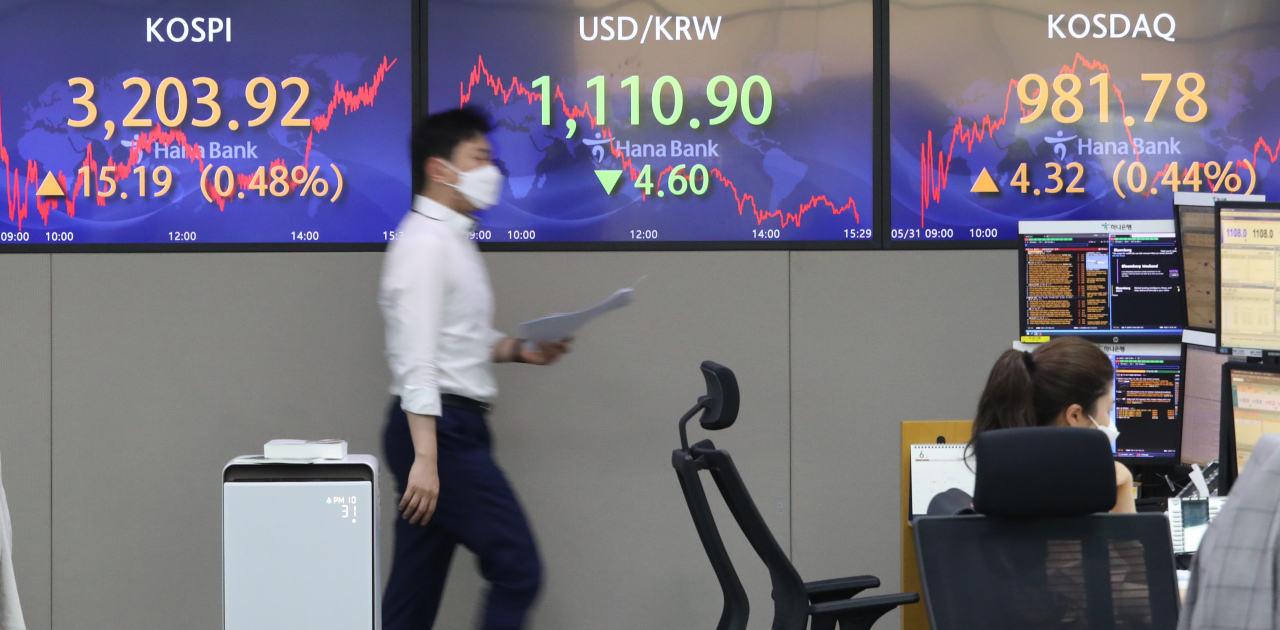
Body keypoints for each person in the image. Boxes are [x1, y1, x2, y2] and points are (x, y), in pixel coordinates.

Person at [379, 106, 572, 630]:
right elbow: (416, 355)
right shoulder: (423, 245)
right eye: (481, 157)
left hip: (446, 426)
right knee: (517, 569)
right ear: (441, 170)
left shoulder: (451, 240)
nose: (494, 170)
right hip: (441, 430)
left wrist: (518, 349)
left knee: (411, 598)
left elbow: (454, 341)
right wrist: (427, 456)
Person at [969, 336, 1134, 514]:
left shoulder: (997, 494)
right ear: (1075, 415)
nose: (1109, 422)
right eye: (1108, 410)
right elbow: (1127, 542)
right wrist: (1124, 490)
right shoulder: (1085, 497)